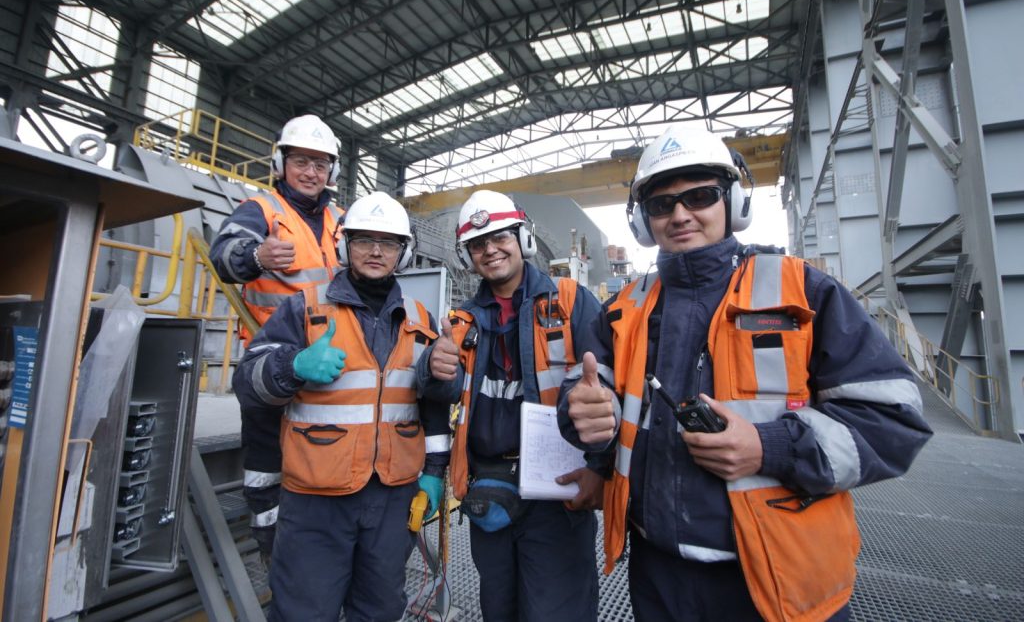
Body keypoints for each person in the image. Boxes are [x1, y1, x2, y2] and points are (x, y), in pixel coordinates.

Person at [559, 126, 933, 622]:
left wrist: (769, 447)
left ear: (733, 202)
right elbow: (587, 389)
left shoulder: (805, 292)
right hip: (658, 575)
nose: (680, 215)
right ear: (644, 221)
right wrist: (584, 411)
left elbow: (893, 420)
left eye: (700, 196)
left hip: (778, 580)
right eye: (662, 204)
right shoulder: (624, 308)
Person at [233, 191, 451, 622]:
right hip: (316, 500)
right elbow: (247, 383)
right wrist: (292, 366)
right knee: (303, 613)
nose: (376, 251)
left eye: (388, 243)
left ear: (403, 252)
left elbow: (431, 409)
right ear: (345, 245)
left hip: (391, 497)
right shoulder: (304, 308)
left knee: (380, 610)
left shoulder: (420, 320)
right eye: (364, 240)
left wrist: (434, 472)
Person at [416, 190, 608, 621]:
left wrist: (600, 466)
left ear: (523, 238)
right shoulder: (461, 322)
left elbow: (606, 387)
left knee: (558, 611)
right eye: (477, 244)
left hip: (556, 491)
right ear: (467, 256)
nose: (490, 250)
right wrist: (433, 369)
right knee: (499, 607)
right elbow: (445, 396)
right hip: (490, 489)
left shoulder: (571, 302)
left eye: (500, 237)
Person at [209, 114, 344, 561]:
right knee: (267, 462)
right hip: (273, 356)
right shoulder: (261, 210)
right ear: (281, 162)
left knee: (324, 452)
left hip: (330, 359)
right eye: (301, 161)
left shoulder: (343, 220)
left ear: (332, 171)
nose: (311, 172)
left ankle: (318, 547)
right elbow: (223, 255)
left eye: (320, 164)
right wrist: (256, 255)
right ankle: (271, 549)